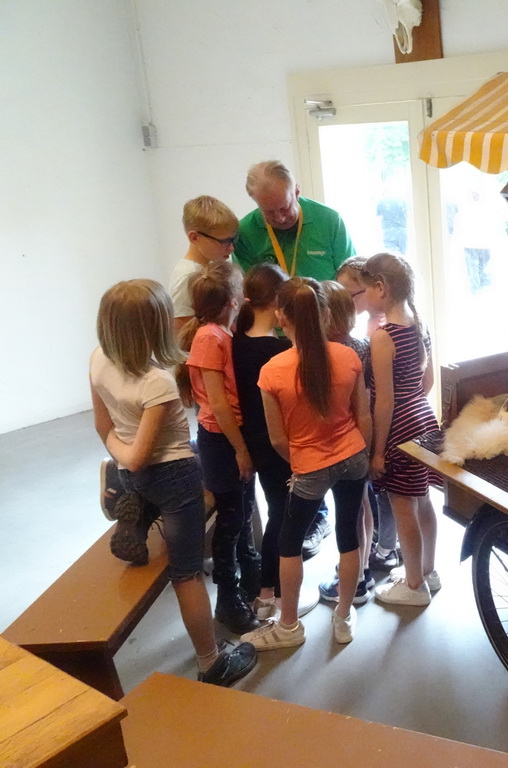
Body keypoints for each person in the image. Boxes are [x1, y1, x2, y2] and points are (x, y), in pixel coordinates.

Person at [89, 279, 257, 686]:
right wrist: (128, 459)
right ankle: (211, 662)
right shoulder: (157, 383)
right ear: (156, 326)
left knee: (143, 472)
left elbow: (102, 424)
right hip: (172, 476)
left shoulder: (97, 359)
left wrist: (122, 459)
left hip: (137, 472)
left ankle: (131, 499)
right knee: (185, 574)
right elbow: (141, 453)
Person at [234, 160, 357, 558]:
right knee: (295, 430)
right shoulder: (248, 231)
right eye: (270, 212)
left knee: (334, 423)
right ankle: (311, 508)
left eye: (285, 207)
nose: (280, 216)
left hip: (327, 343)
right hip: (280, 348)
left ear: (297, 191)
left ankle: (340, 511)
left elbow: (346, 282)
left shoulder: (330, 221)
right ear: (255, 205)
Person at [242, 278, 371, 649]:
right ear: (326, 313)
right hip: (352, 457)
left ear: (282, 317)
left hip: (309, 466)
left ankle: (288, 627)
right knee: (348, 537)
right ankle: (344, 617)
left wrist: (299, 463)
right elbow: (363, 417)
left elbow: (278, 438)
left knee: (289, 542)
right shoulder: (348, 356)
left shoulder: (272, 371)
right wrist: (366, 454)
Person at [176, 261, 261, 636]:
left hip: (230, 437)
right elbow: (218, 403)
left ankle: (248, 579)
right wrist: (241, 449)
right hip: (222, 440)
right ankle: (228, 598)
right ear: (232, 300)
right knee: (229, 522)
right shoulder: (210, 337)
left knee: (242, 513)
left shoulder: (219, 332)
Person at [232, 264, 318, 621]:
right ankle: (275, 592)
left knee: (277, 511)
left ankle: (269, 589)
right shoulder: (280, 349)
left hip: (255, 440)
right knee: (284, 516)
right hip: (283, 442)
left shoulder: (237, 341)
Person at [358, 253, 442, 607]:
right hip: (423, 417)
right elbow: (427, 380)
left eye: (364, 291)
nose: (362, 300)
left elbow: (384, 402)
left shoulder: (383, 336)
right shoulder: (418, 323)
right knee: (422, 499)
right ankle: (427, 571)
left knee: (402, 504)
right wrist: (414, 405)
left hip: (399, 427)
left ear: (381, 287)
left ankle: (413, 585)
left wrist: (377, 452)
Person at [336, 259, 401, 571]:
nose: (345, 301)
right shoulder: (368, 326)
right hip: (372, 416)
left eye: (349, 294)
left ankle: (387, 545)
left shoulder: (381, 331)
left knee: (385, 487)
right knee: (375, 490)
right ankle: (381, 542)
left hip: (381, 419)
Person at [319, 281, 376, 607]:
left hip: (342, 436)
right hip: (362, 432)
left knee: (349, 512)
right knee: (362, 504)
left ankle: (352, 581)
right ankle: (363, 567)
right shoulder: (363, 346)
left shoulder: (330, 353)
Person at [169, 196, 239, 333]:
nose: (231, 248)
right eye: (224, 241)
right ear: (194, 237)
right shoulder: (187, 276)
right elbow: (183, 336)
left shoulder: (208, 268)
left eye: (233, 240)